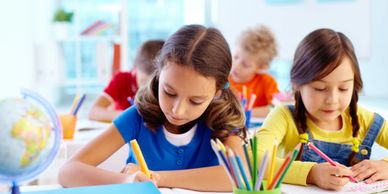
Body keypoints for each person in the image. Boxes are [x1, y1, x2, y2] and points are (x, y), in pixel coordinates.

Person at [59, 24, 247, 191]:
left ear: (217, 92)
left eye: (195, 101)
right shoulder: (137, 117)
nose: (177, 110)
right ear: (159, 74)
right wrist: (127, 181)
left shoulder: (223, 120)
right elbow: (68, 171)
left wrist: (156, 177)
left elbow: (240, 176)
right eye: (169, 93)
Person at [256, 28, 388, 190]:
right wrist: (311, 173)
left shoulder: (364, 119)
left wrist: (385, 166)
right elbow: (254, 159)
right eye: (319, 88)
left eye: (343, 88)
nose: (332, 99)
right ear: (297, 84)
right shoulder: (284, 117)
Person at [88, 40, 164, 122]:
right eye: (143, 81)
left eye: (154, 83)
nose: (146, 88)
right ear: (135, 67)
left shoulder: (166, 86)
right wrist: (129, 115)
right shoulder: (122, 80)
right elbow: (93, 112)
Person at [229, 25, 279, 117]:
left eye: (245, 65)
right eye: (235, 57)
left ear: (261, 68)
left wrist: (244, 112)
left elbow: (277, 108)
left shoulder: (267, 82)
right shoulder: (222, 78)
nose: (236, 65)